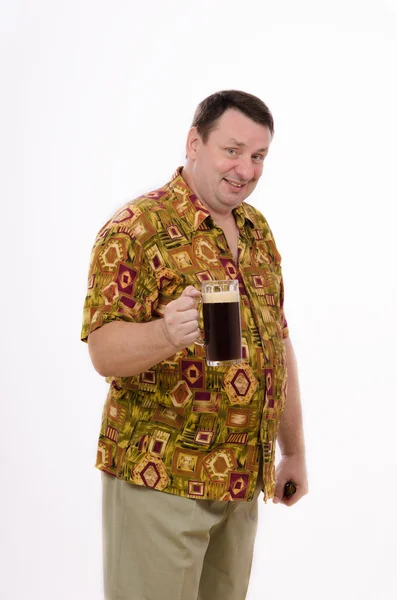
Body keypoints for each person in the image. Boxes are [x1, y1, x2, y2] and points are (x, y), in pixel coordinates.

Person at [81, 89, 308, 600]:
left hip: (238, 484)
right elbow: (103, 351)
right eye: (233, 151)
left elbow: (278, 342)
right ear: (194, 142)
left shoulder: (256, 231)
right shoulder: (138, 229)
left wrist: (292, 451)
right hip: (159, 485)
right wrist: (164, 334)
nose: (245, 170)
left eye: (258, 156)